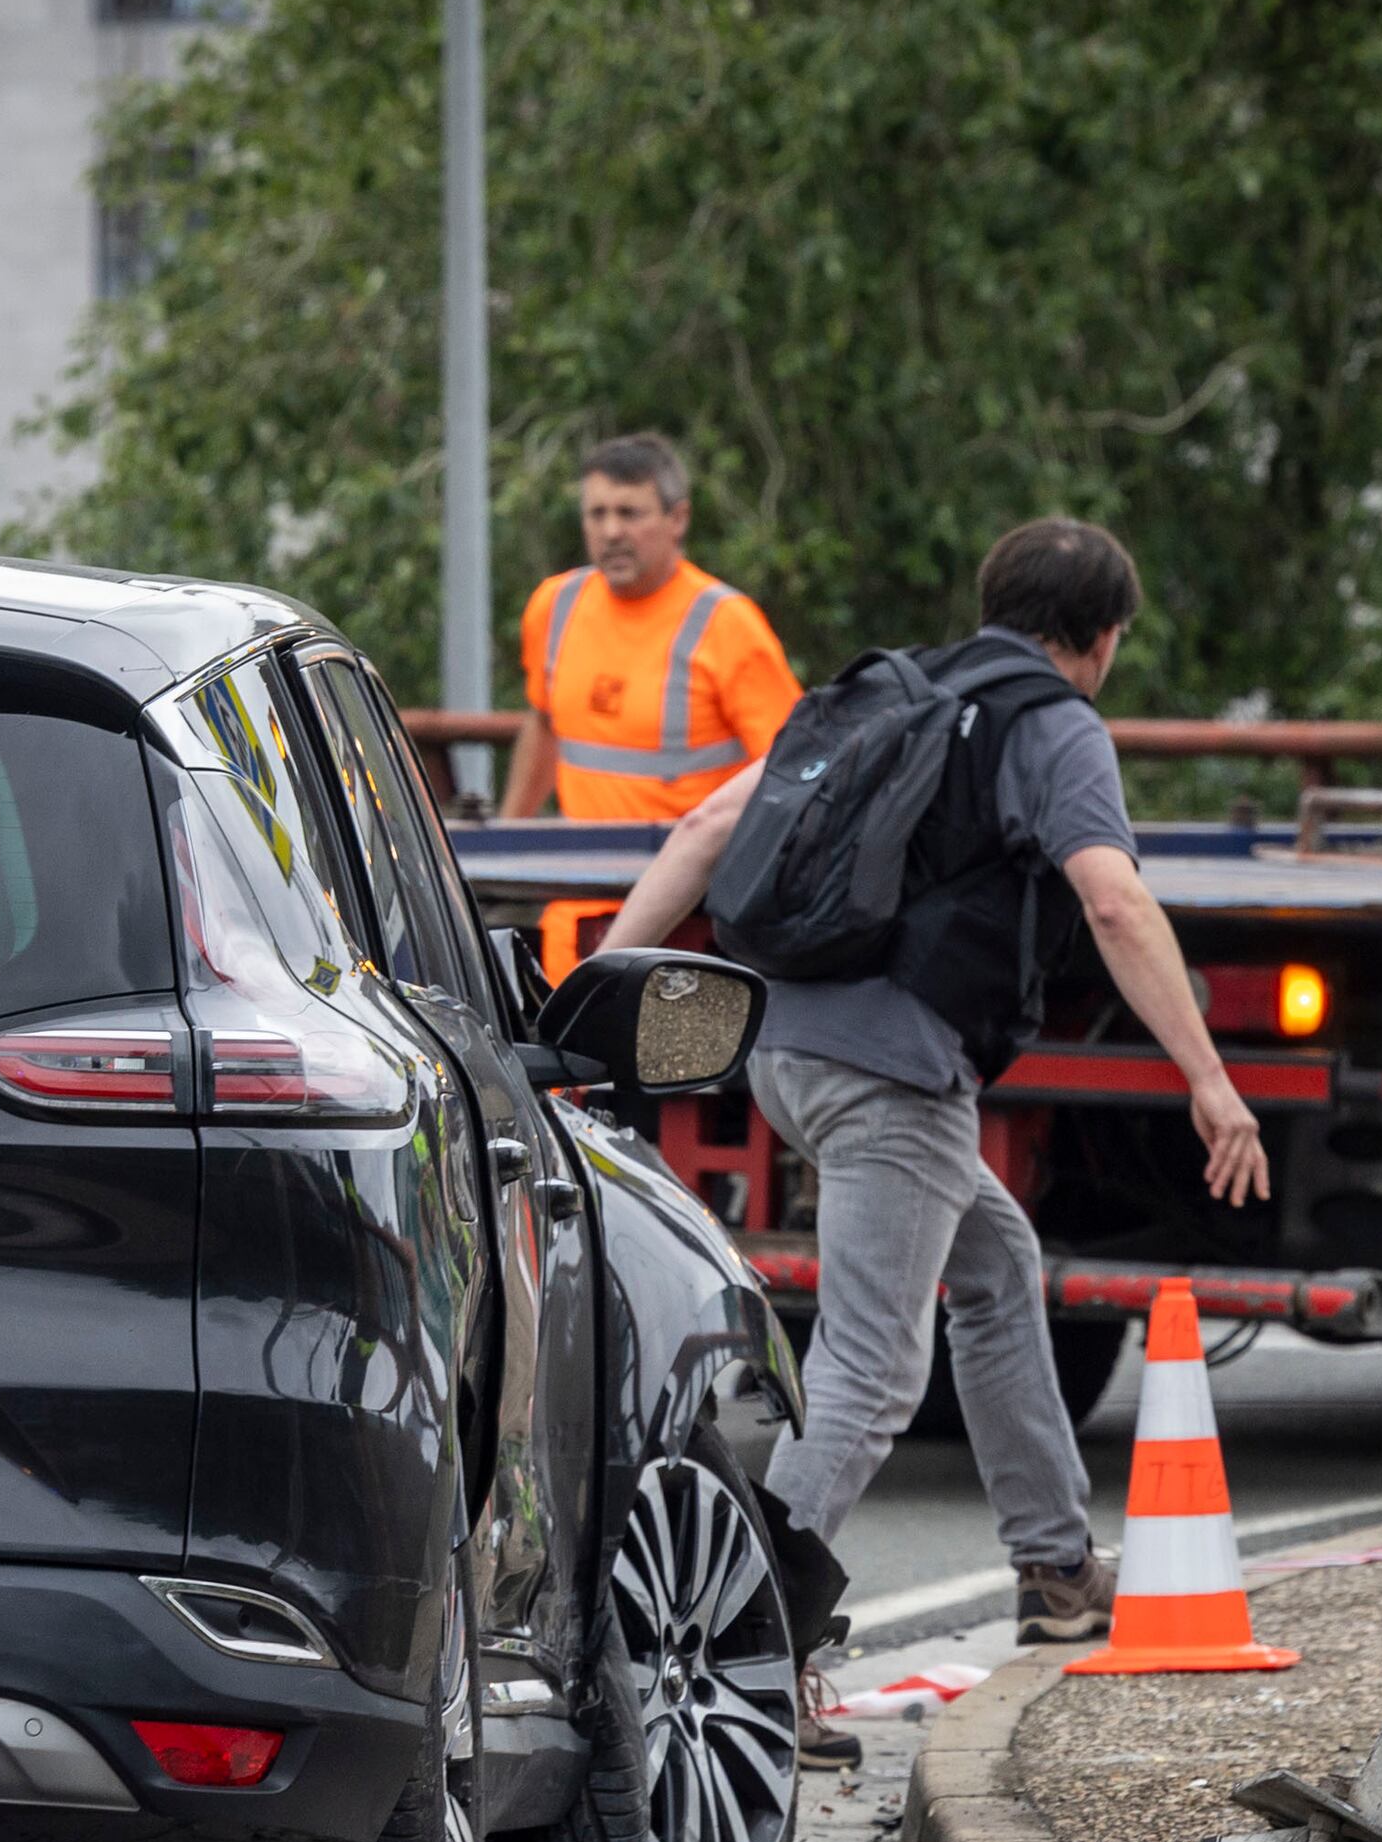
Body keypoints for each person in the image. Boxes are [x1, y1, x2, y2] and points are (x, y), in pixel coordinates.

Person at [605, 517, 1267, 1731]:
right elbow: (1113, 903)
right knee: (870, 1367)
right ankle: (747, 1646)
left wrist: (598, 988)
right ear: (1101, 639)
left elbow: (701, 832)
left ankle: (1055, 1570)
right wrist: (1209, 1081)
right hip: (891, 1077)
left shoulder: (884, 691)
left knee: (996, 1263)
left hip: (785, 1047)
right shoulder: (1053, 726)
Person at [499, 435, 802, 826]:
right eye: (597, 514)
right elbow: (543, 728)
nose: (611, 531)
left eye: (629, 513)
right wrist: (504, 837)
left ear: (678, 519)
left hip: (688, 864)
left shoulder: (727, 624)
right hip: (575, 865)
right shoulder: (555, 604)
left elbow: (793, 769)